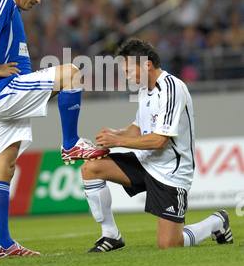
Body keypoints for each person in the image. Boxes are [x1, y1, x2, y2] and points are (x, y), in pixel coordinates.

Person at [0, 0, 109, 258]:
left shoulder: (14, 12)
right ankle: (71, 144)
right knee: (72, 72)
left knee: (3, 169)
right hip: (3, 91)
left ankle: (5, 244)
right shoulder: (3, 1)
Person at [82, 38, 233, 252]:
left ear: (147, 65)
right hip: (146, 162)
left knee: (170, 244)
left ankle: (217, 221)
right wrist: (115, 132)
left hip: (171, 172)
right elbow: (140, 127)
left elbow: (159, 140)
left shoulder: (172, 88)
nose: (126, 76)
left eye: (128, 70)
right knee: (91, 168)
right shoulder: (144, 89)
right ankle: (111, 235)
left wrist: (117, 141)